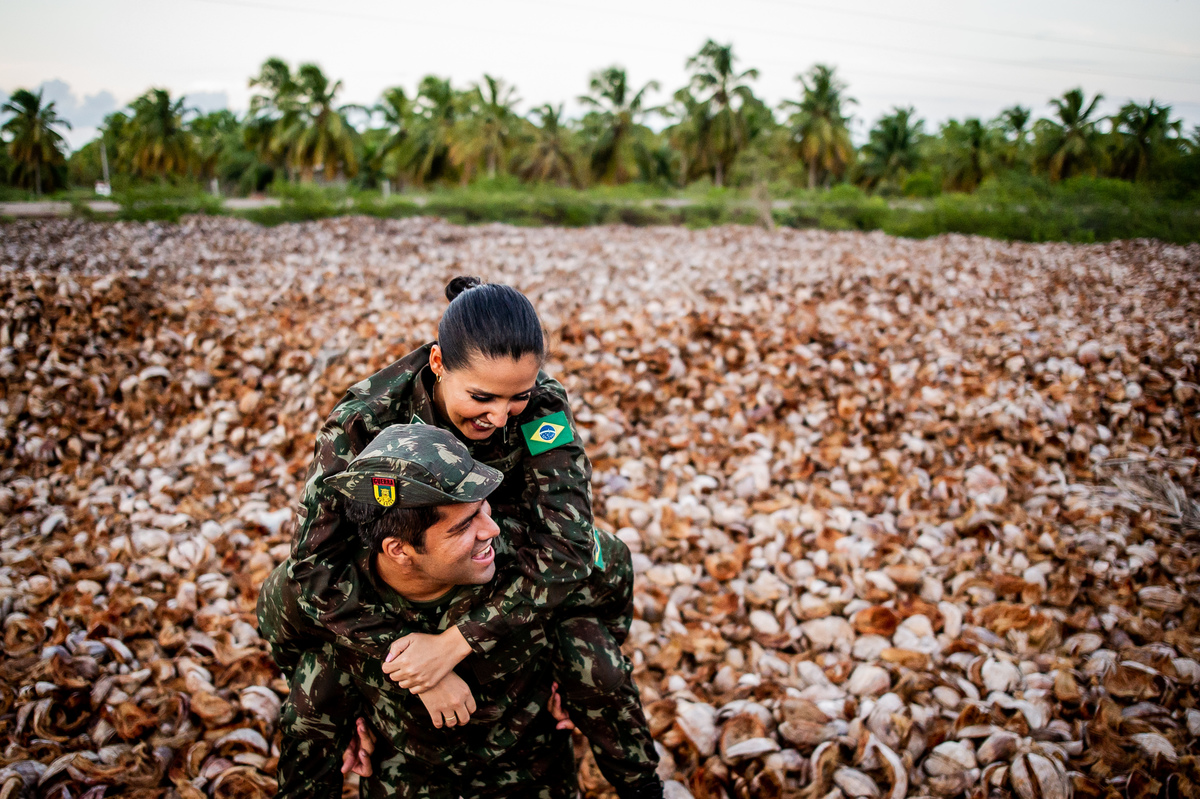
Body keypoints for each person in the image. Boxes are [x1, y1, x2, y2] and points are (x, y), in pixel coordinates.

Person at [284, 277, 661, 797]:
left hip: (499, 552)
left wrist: (456, 644)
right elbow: (314, 565)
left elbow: (570, 545)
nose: (500, 416)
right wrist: (411, 663)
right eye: (481, 396)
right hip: (413, 559)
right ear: (438, 364)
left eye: (517, 397)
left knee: (606, 558)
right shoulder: (366, 421)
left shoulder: (543, 409)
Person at [259, 424, 629, 797]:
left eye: (485, 509)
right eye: (466, 525)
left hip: (531, 762)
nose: (491, 530)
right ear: (398, 550)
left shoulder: (537, 557)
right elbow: (289, 647)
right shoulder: (319, 589)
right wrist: (349, 715)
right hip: (405, 770)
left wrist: (578, 678)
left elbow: (613, 576)